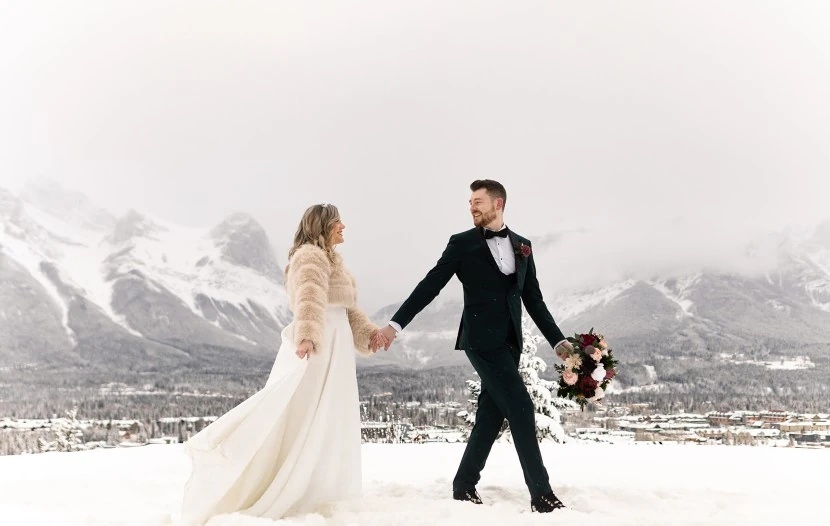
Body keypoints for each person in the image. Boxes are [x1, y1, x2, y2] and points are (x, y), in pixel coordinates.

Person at [180, 203, 387, 524]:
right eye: (337, 222)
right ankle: (294, 482)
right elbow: (309, 296)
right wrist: (306, 335)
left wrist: (370, 336)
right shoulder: (309, 256)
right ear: (323, 225)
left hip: (338, 347)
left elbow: (350, 310)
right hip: (320, 343)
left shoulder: (337, 262)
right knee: (306, 412)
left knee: (331, 412)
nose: (344, 226)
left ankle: (323, 483)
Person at [377, 180, 573, 513]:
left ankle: (464, 485)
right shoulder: (462, 244)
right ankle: (541, 494)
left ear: (498, 204)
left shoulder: (523, 246)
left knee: (490, 416)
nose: (472, 207)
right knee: (522, 407)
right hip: (480, 340)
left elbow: (534, 300)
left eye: (478, 201)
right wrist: (395, 325)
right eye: (469, 202)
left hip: (511, 343)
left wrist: (559, 341)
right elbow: (430, 285)